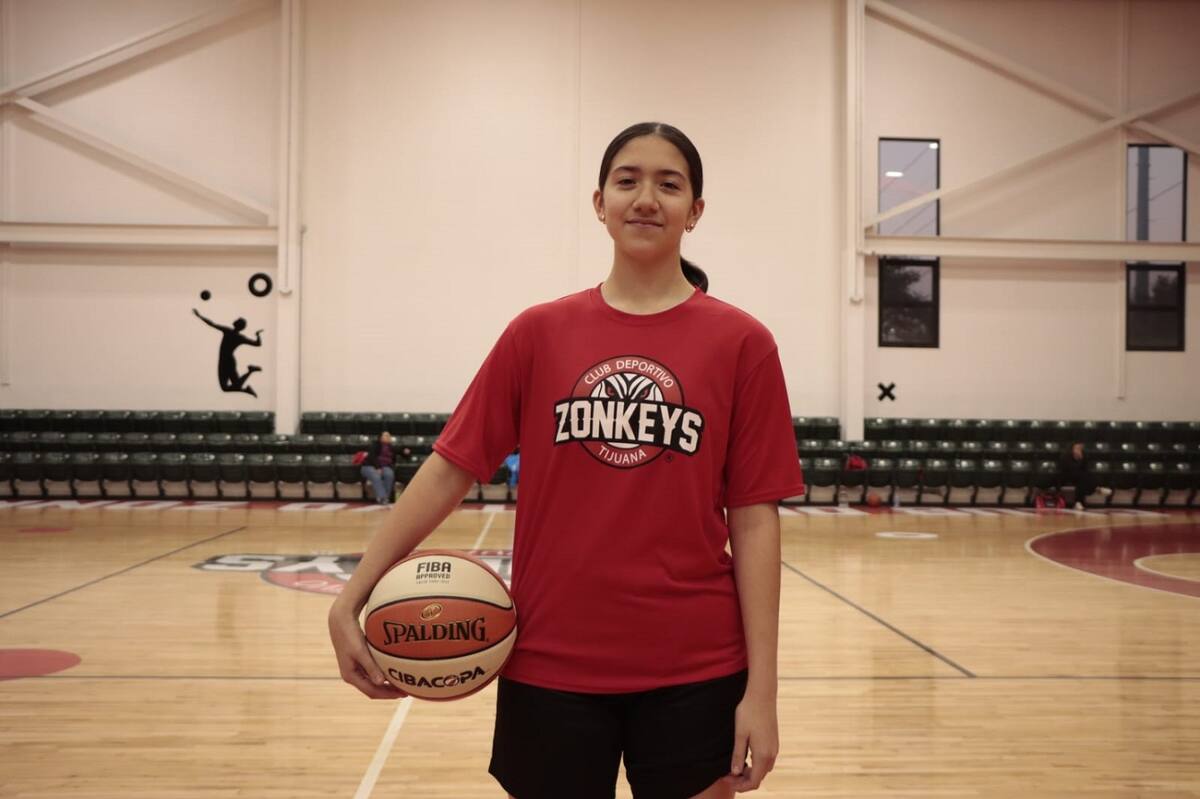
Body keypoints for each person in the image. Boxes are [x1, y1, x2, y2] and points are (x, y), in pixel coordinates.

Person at [328, 122, 805, 799]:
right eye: (627, 180)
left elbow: (756, 520)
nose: (646, 197)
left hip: (696, 665)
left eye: (669, 184)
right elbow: (449, 468)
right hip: (548, 663)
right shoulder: (537, 334)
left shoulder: (743, 344)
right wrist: (353, 594)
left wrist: (764, 688)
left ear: (695, 211)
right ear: (599, 201)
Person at [192, 309, 263, 397]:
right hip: (226, 361)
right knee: (229, 387)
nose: (235, 320)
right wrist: (258, 335)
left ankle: (250, 372)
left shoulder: (229, 331)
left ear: (237, 324)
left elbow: (212, 324)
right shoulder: (238, 336)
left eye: (237, 320)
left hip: (227, 361)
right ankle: (248, 381)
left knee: (228, 387)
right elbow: (257, 344)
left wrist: (199, 316)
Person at [1059, 441, 1112, 510]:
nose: (1079, 450)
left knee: (1085, 478)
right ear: (1072, 448)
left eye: (1080, 448)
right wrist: (1077, 460)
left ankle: (1078, 502)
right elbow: (1068, 469)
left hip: (1080, 478)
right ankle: (1097, 489)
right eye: (1077, 448)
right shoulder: (1066, 456)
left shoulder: (1084, 455)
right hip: (1067, 476)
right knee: (1083, 477)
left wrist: (1081, 459)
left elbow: (1086, 469)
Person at [360, 431, 397, 504]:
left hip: (384, 466)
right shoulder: (375, 445)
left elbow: (400, 452)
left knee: (389, 474)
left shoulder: (391, 447)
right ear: (380, 437)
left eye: (389, 436)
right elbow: (372, 457)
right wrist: (377, 468)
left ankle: (385, 497)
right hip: (368, 466)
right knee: (376, 476)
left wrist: (405, 451)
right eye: (386, 436)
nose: (388, 437)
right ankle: (382, 497)